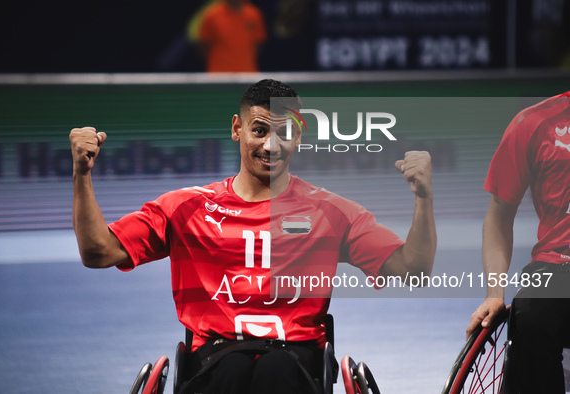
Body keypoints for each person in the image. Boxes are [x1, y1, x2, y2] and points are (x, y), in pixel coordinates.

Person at [70, 79, 436, 393]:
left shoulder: (331, 212)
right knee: (233, 370)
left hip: (296, 361)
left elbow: (413, 271)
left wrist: (423, 198)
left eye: (284, 133)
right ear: (237, 129)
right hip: (214, 359)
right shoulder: (185, 207)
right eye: (260, 130)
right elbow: (98, 252)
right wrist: (82, 175)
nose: (271, 146)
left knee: (273, 370)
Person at [466, 92, 570, 393]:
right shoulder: (533, 123)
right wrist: (494, 293)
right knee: (532, 315)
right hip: (557, 269)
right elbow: (499, 216)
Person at [196, 0, 267, 72]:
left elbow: (259, 43)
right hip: (218, 74)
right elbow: (203, 44)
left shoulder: (254, 14)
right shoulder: (212, 14)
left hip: (247, 73)